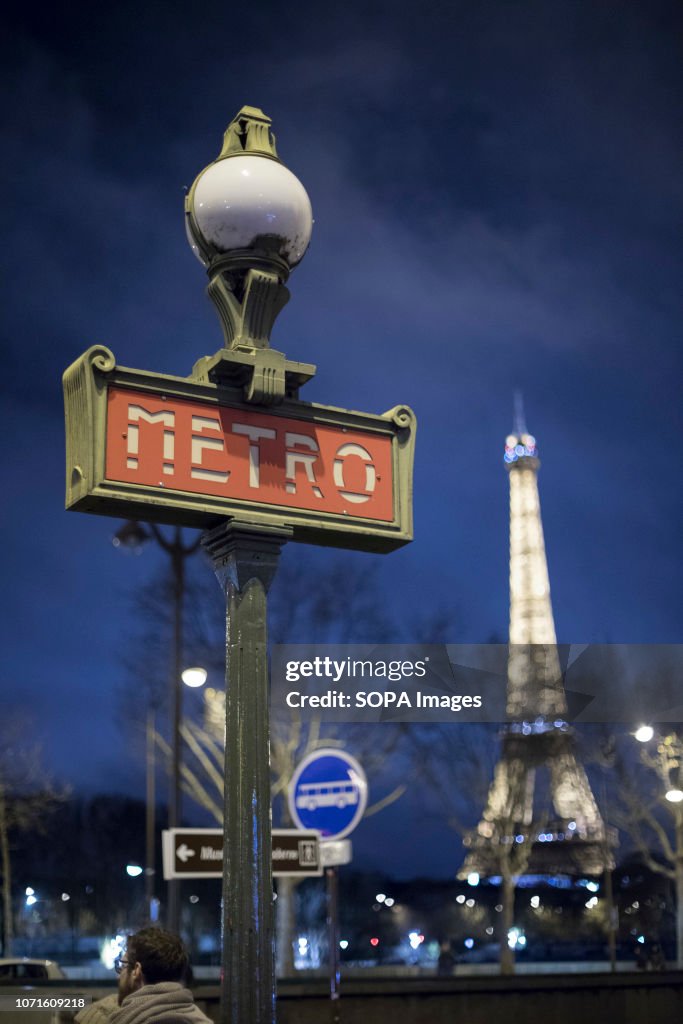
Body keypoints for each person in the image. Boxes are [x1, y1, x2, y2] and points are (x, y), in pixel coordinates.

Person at [109, 927, 212, 1023]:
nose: (118, 977)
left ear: (136, 970)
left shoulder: (123, 1019)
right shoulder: (201, 1019)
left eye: (122, 967)